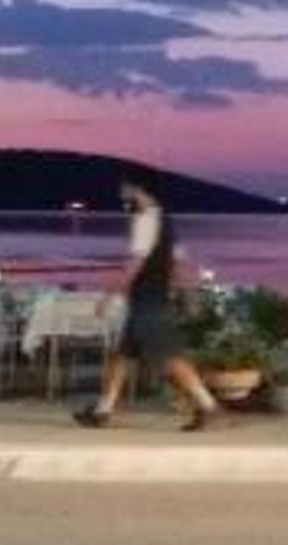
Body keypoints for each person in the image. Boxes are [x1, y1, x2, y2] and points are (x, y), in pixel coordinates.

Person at [74, 169, 225, 432]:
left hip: (148, 298)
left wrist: (110, 295)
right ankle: (103, 410)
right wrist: (185, 293)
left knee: (169, 355)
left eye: (125, 186)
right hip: (153, 296)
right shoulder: (163, 218)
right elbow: (177, 262)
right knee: (121, 355)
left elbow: (135, 263)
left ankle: (208, 405)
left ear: (137, 188)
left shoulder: (145, 219)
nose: (121, 191)